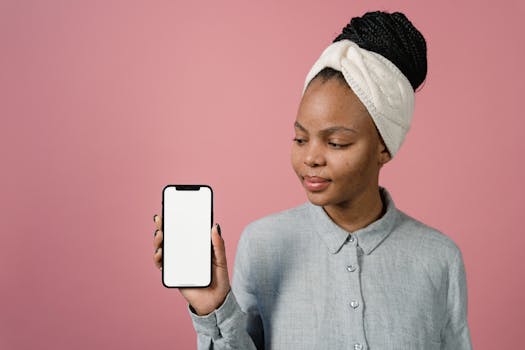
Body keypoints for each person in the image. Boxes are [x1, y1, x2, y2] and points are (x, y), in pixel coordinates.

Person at [152, 10, 473, 350]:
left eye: (336, 143)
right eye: (301, 139)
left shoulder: (439, 259)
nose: (311, 158)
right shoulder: (263, 244)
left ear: (384, 148)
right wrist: (212, 306)